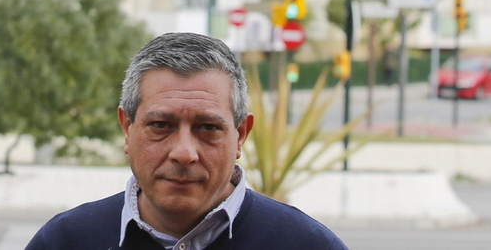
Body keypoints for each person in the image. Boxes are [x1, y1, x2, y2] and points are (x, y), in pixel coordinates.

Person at [27, 32, 347, 250]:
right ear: (127, 128)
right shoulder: (66, 241)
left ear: (241, 135)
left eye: (207, 127)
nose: (184, 153)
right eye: (161, 125)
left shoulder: (306, 245)